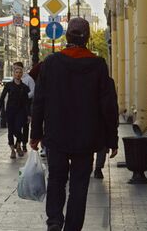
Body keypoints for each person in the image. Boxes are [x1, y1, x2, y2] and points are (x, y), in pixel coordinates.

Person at [30, 17, 119, 231]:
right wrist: (111, 140)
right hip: (86, 138)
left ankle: (54, 221)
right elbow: (108, 106)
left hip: (57, 135)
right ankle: (72, 227)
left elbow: (39, 100)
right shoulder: (97, 65)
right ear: (87, 38)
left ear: (67, 36)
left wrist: (35, 134)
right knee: (79, 185)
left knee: (57, 179)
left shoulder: (51, 63)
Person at [0, 65, 30, 159]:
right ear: (14, 74)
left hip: (21, 111)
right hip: (10, 110)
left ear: (22, 74)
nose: (18, 74)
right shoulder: (8, 85)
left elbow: (26, 102)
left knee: (18, 128)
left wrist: (29, 114)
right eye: (16, 72)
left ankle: (19, 146)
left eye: (20, 73)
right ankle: (12, 149)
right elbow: (2, 97)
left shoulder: (25, 87)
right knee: (11, 131)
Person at [13, 61, 35, 153]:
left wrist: (25, 96)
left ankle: (23, 144)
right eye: (14, 69)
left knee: (25, 125)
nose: (14, 70)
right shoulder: (14, 79)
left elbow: (33, 91)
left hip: (26, 104)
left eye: (16, 68)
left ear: (21, 68)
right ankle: (19, 139)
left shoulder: (28, 79)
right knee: (15, 125)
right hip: (16, 105)